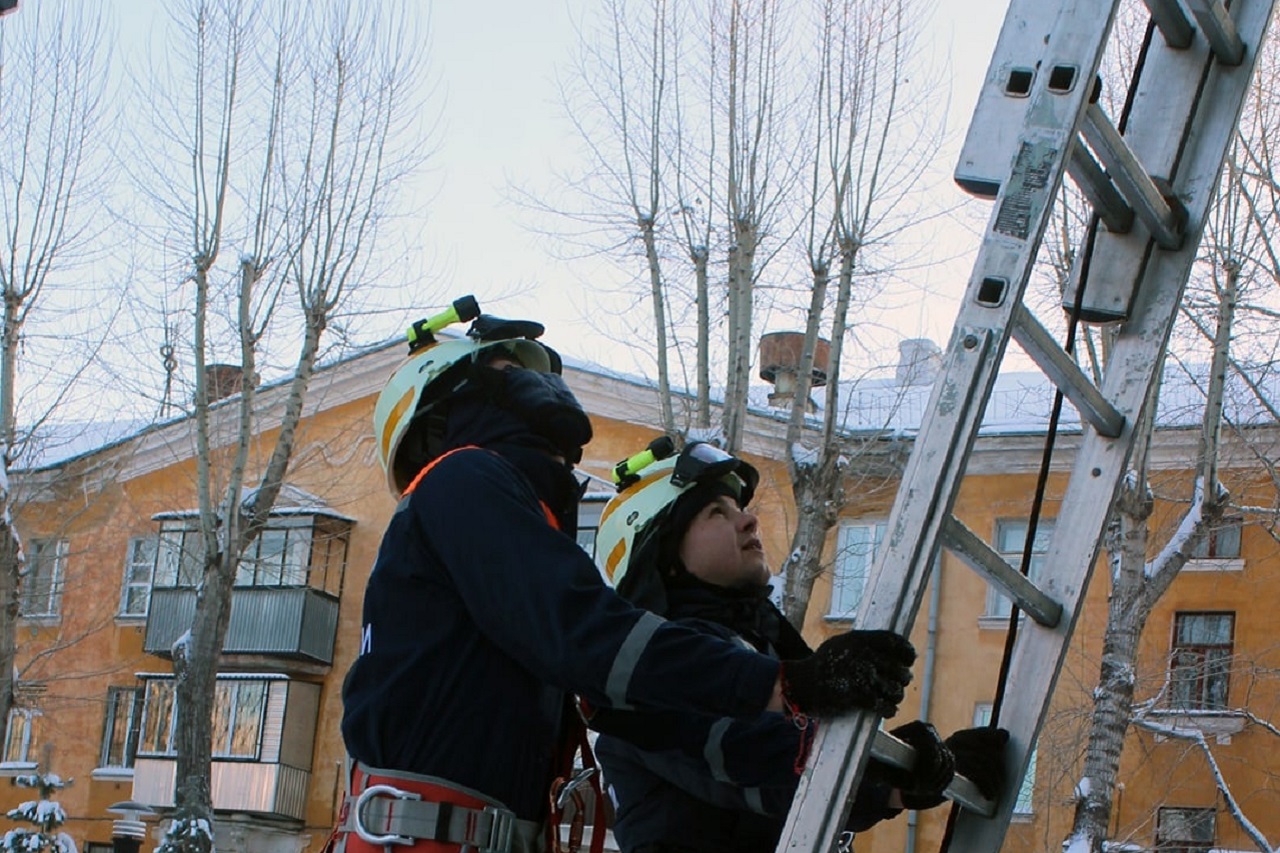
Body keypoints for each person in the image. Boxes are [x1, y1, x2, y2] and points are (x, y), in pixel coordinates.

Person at [336, 298, 921, 853]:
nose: (538, 382)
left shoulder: (494, 514)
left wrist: (893, 770)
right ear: (453, 400)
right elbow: (581, 630)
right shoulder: (462, 479)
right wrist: (783, 684)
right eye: (509, 365)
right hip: (421, 838)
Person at [589, 437, 1011, 853]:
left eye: (739, 508)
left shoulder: (759, 650)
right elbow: (747, 758)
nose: (749, 522)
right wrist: (890, 765)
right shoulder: (653, 677)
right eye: (716, 512)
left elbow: (801, 786)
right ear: (663, 556)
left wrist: (916, 778)